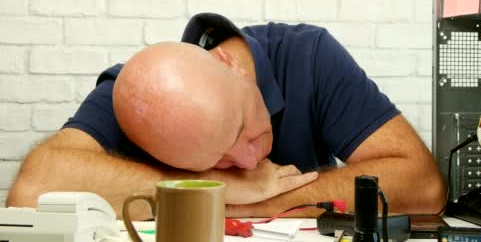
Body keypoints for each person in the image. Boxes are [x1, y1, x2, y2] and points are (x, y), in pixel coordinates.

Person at [7, 13, 445, 219]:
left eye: (241, 128)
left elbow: (422, 186)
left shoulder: (308, 56)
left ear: (229, 65)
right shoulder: (135, 95)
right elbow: (34, 188)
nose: (250, 161)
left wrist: (266, 198)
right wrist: (224, 190)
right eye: (215, 162)